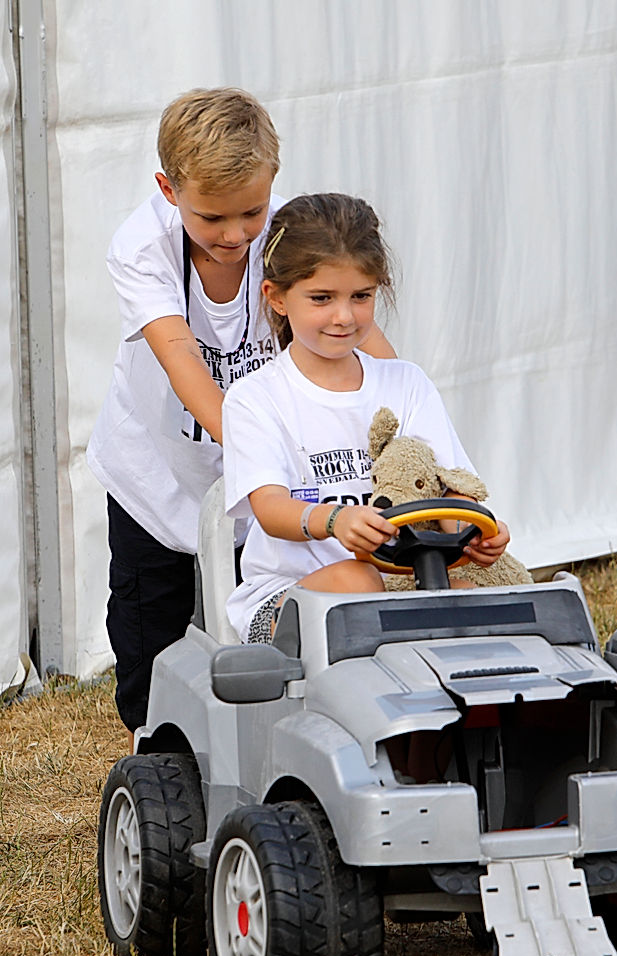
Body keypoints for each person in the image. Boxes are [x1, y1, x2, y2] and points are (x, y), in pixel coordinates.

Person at [87, 90, 395, 745]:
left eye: (251, 212)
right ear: (169, 190)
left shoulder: (292, 237)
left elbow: (365, 350)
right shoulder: (143, 249)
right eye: (212, 218)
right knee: (152, 657)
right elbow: (187, 371)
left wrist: (399, 430)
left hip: (270, 484)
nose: (234, 236)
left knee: (274, 640)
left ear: (273, 186)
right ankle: (157, 762)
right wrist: (268, 456)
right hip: (159, 479)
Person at [222, 192, 511, 650]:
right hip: (284, 601)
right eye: (322, 298)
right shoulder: (255, 398)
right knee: (358, 584)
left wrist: (474, 534)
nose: (344, 316)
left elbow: (450, 487)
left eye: (361, 297)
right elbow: (270, 509)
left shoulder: (406, 383)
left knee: (473, 602)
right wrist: (335, 520)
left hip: (398, 583)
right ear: (276, 298)